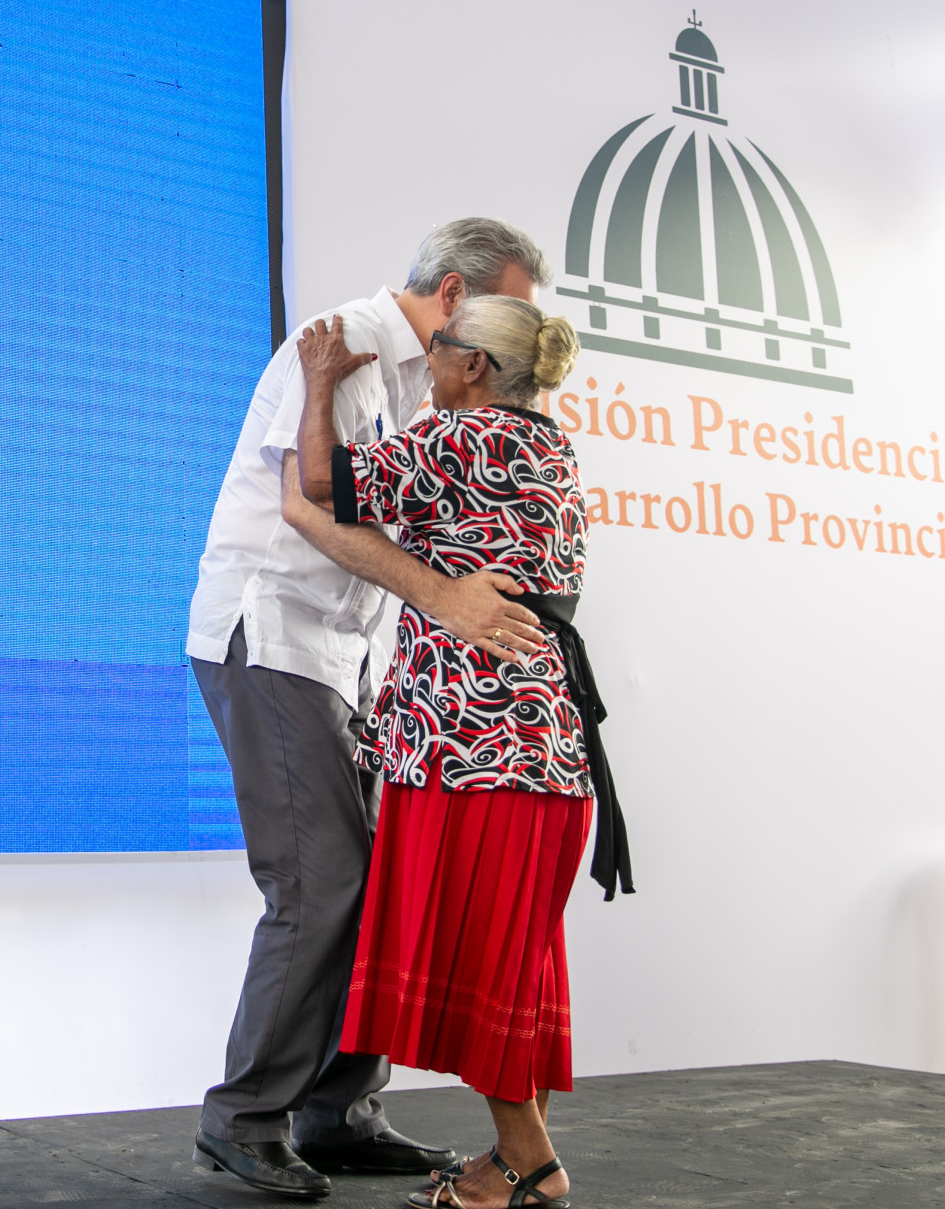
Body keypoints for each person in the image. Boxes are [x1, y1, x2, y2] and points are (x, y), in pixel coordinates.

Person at [187, 219, 556, 1200]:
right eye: (503, 314)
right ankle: (243, 1119)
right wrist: (444, 599)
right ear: (452, 296)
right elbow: (313, 502)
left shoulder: (434, 386)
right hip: (272, 634)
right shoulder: (344, 344)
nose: (509, 345)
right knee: (321, 881)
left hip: (346, 659)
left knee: (377, 880)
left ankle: (338, 1114)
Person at [284, 295, 632, 1209]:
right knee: (518, 963)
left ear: (473, 365)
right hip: (548, 754)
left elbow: (319, 483)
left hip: (470, 748)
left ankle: (529, 1163)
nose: (427, 357)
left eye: (438, 346)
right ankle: (514, 1161)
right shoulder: (551, 446)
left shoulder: (459, 439)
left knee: (478, 958)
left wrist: (318, 385)